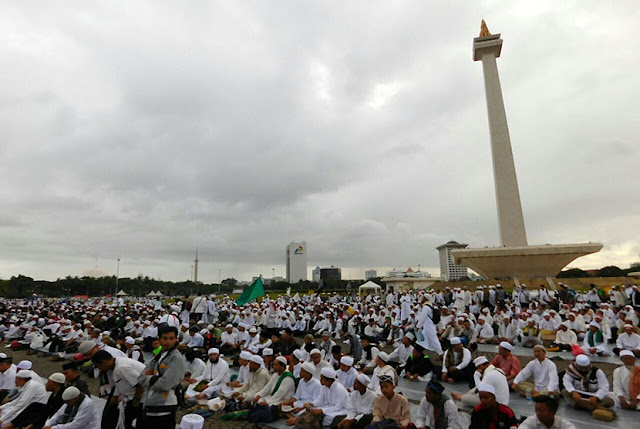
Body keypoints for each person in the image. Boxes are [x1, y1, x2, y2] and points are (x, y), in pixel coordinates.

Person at [137, 326, 186, 429]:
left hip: (164, 408)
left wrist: (152, 378)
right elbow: (141, 378)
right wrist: (156, 378)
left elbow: (165, 384)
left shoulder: (176, 358)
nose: (168, 341)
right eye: (165, 338)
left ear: (176, 339)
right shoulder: (160, 355)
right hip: (149, 404)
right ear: (159, 339)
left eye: (171, 338)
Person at [92, 350, 146, 429]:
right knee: (122, 421)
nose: (100, 369)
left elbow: (140, 384)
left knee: (127, 422)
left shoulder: (121, 367)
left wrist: (135, 402)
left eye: (99, 367)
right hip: (131, 398)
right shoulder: (116, 365)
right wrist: (115, 397)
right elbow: (120, 382)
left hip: (142, 399)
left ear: (104, 362)